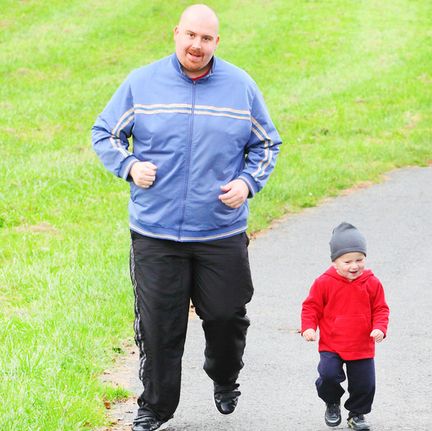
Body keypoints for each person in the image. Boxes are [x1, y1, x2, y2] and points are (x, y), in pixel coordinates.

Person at [91, 4, 282, 431]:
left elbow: (268, 144)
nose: (197, 45)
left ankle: (225, 376)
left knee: (225, 316)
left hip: (220, 231)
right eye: (190, 35)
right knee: (160, 326)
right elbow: (104, 133)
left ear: (217, 42)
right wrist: (129, 166)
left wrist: (248, 183)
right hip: (155, 232)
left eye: (207, 38)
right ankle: (156, 407)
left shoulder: (241, 87)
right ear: (176, 33)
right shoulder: (142, 83)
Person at [300, 223, 390, 431]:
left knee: (365, 385)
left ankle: (356, 415)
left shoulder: (372, 283)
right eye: (347, 261)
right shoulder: (324, 282)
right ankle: (332, 402)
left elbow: (381, 309)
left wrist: (380, 328)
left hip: (362, 345)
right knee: (328, 375)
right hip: (332, 343)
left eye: (359, 260)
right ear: (335, 262)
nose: (354, 266)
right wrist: (309, 327)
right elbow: (311, 307)